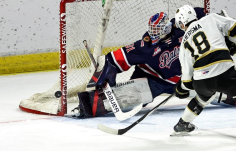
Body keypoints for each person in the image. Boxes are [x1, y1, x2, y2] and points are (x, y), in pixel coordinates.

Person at [70, 8, 207, 118]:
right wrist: (107, 73)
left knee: (213, 80)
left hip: (184, 79)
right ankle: (86, 106)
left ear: (166, 28)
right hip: (153, 80)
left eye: (158, 30)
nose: (154, 33)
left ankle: (228, 94)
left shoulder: (181, 28)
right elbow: (114, 58)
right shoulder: (145, 46)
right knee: (128, 96)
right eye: (153, 30)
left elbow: (199, 13)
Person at [171, 5, 236, 135]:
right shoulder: (210, 19)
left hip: (202, 81)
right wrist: (230, 43)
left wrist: (181, 88)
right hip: (224, 72)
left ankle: (182, 123)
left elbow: (187, 81)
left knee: (202, 98)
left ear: (181, 23)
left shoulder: (184, 43)